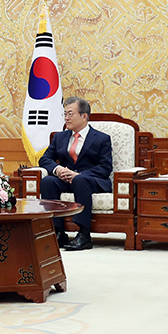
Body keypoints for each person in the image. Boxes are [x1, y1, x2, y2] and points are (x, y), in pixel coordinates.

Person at [39, 96, 113, 251]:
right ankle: (58, 232)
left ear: (84, 116)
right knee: (48, 181)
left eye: (70, 114)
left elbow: (105, 167)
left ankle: (84, 235)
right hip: (66, 180)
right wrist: (58, 169)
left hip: (91, 181)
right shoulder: (60, 137)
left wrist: (78, 174)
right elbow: (45, 159)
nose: (66, 118)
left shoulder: (101, 138)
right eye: (65, 114)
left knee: (80, 180)